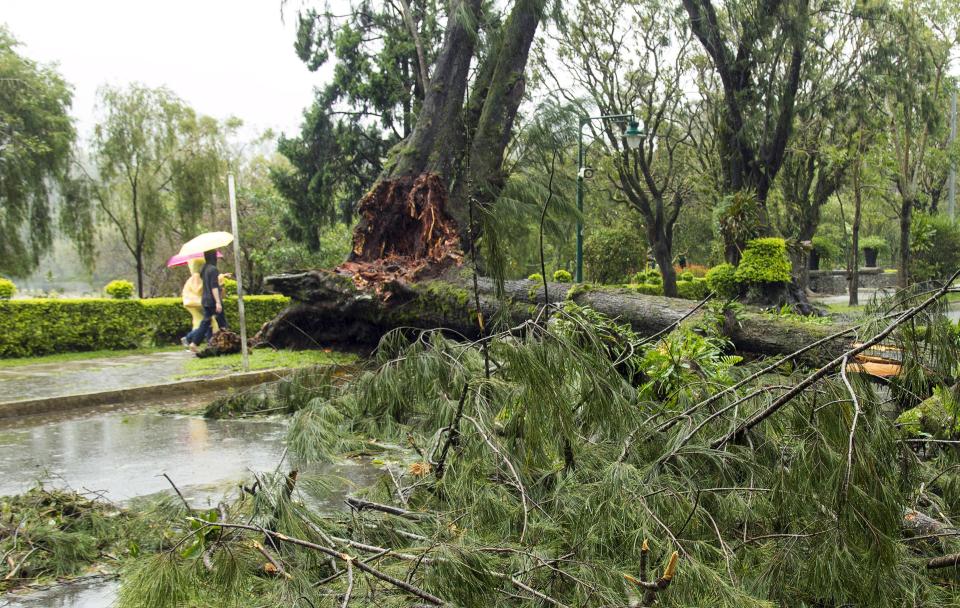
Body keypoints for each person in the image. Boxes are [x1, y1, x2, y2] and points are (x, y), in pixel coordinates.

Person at [184, 250, 227, 352]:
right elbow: (214, 287)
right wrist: (218, 302)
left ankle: (194, 343)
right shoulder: (213, 269)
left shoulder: (204, 269)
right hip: (212, 300)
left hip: (205, 300)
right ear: (213, 257)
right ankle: (225, 343)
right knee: (222, 323)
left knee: (205, 323)